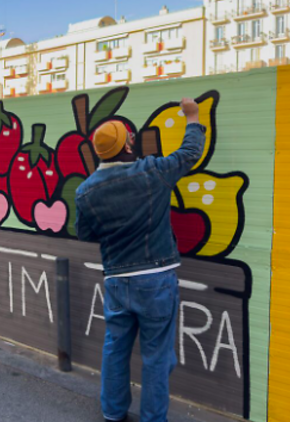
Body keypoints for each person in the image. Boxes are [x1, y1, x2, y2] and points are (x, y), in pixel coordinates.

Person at [75, 98, 205, 422]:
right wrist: (192, 116)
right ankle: (152, 418)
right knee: (156, 357)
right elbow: (189, 154)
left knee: (115, 350)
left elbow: (86, 233)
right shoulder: (152, 172)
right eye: (130, 138)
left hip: (117, 280)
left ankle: (113, 412)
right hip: (156, 281)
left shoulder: (86, 192)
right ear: (126, 146)